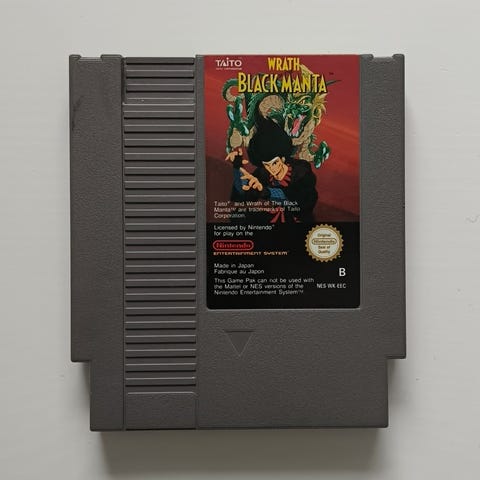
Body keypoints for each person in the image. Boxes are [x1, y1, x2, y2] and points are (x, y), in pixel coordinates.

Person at [226, 116, 318, 223]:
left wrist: (265, 192)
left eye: (274, 163)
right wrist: (237, 167)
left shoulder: (301, 171)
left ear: (283, 158)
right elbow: (241, 196)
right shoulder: (263, 173)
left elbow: (301, 202)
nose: (271, 169)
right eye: (267, 165)